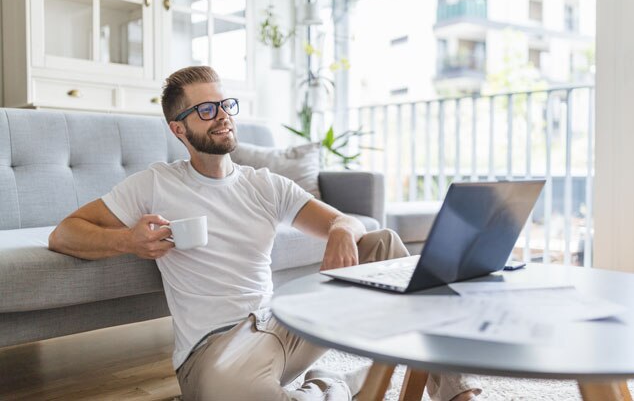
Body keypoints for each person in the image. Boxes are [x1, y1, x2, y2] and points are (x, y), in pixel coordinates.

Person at [48, 66, 482, 401]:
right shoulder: (154, 184)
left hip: (286, 324)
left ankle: (455, 391)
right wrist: (128, 241)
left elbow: (344, 219)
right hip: (217, 352)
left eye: (224, 105)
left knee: (384, 243)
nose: (222, 117)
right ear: (178, 129)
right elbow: (65, 234)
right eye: (205, 110)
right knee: (229, 388)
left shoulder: (264, 183)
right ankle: (333, 385)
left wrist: (342, 231)